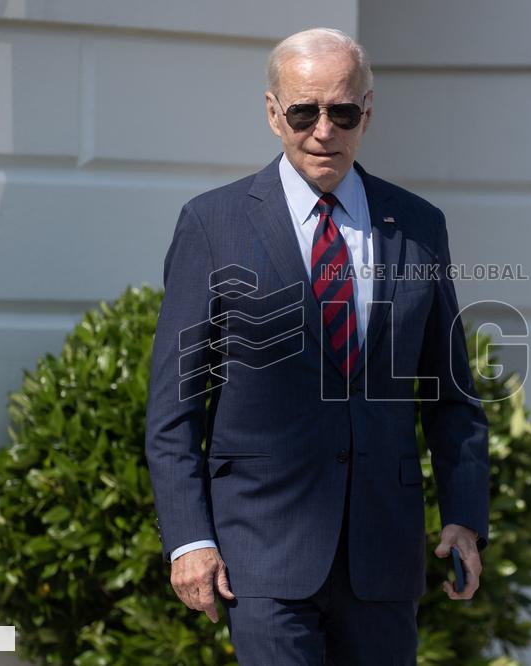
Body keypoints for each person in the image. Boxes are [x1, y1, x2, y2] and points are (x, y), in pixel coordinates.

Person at [145, 27, 489, 665]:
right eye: (304, 111)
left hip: (382, 552)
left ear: (368, 112)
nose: (323, 130)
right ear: (273, 112)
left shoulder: (418, 225)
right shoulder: (212, 224)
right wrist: (188, 538)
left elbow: (452, 393)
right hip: (262, 550)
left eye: (343, 111)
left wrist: (464, 516)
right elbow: (174, 406)